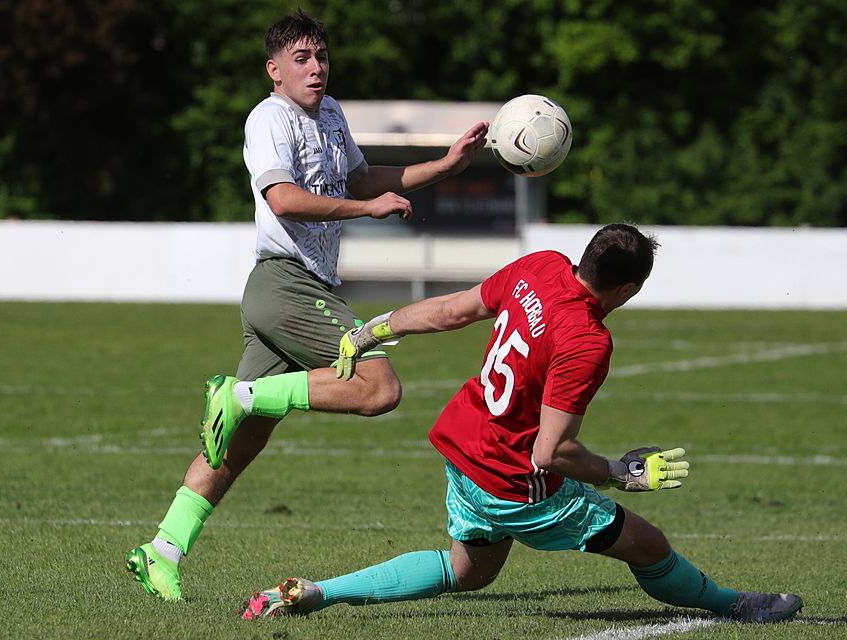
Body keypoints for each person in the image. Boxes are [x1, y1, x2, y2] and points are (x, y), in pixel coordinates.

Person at [240, 224, 804, 623]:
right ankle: (738, 604)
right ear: (628, 289)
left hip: (463, 446)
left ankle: (318, 593)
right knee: (650, 545)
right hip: (514, 481)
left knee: (469, 572)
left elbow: (454, 309)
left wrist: (377, 329)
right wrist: (618, 472)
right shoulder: (587, 339)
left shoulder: (540, 267)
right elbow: (550, 453)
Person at [125, 10, 489, 602]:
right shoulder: (267, 119)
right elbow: (285, 200)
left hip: (296, 288)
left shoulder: (333, 113)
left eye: (321, 56)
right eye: (302, 59)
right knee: (379, 389)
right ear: (275, 71)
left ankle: (160, 549)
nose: (316, 67)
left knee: (237, 444)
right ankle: (236, 393)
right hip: (288, 285)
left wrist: (445, 165)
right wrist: (364, 211)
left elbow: (366, 178)